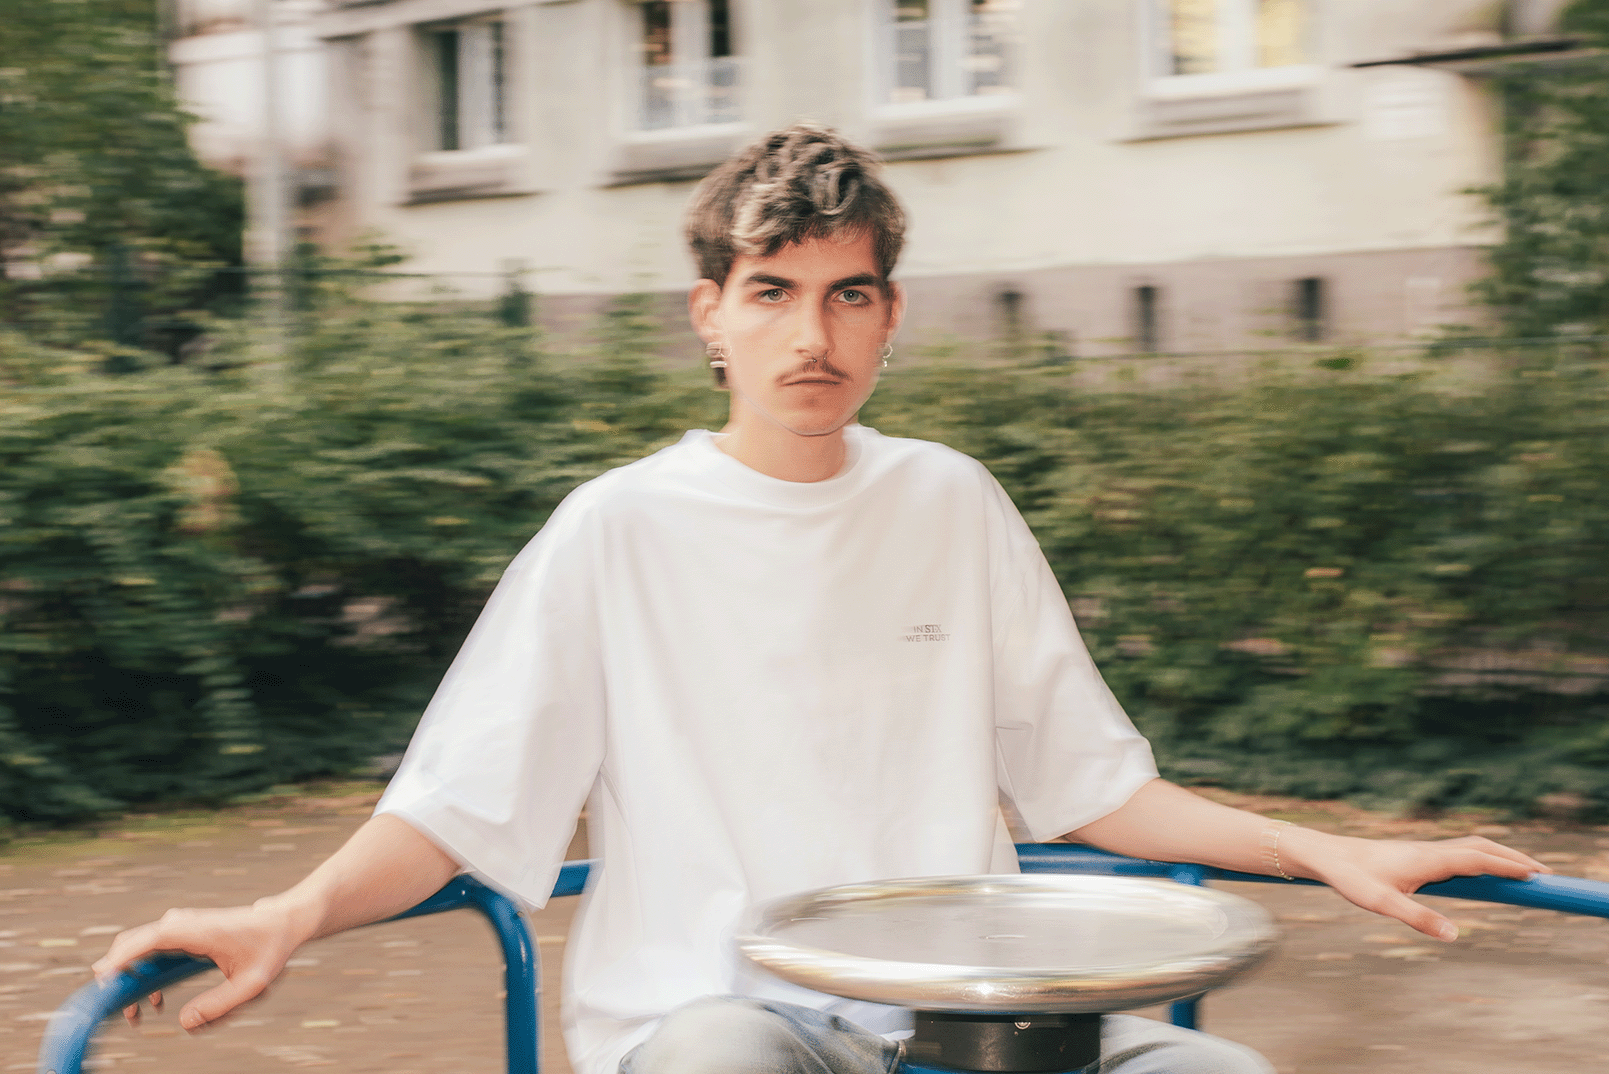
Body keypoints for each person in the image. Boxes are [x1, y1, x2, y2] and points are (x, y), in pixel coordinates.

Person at [96, 124, 1547, 1074]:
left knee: (1222, 1070)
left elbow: (1095, 790)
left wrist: (1336, 850)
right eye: (774, 290)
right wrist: (286, 912)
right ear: (710, 314)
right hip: (724, 1017)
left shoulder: (951, 503)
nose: (813, 333)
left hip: (967, 1017)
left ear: (892, 315)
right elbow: (461, 809)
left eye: (849, 294)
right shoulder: (618, 531)